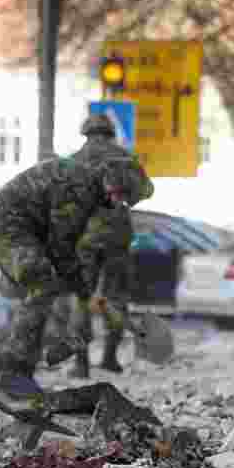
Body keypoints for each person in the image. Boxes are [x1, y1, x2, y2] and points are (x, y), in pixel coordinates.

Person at [0, 153, 153, 396]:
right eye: (121, 198)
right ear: (113, 184)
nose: (119, 205)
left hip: (21, 228)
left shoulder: (87, 185)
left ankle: (19, 370)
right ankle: (14, 372)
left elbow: (62, 250)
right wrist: (84, 291)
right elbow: (62, 249)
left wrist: (83, 290)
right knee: (42, 285)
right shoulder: (78, 189)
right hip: (6, 225)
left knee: (44, 286)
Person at [56, 114, 154, 377]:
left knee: (81, 298)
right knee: (116, 297)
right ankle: (110, 358)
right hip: (117, 239)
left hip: (84, 238)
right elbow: (146, 190)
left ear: (85, 133)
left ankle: (81, 364)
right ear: (110, 132)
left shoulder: (73, 160)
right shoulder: (125, 158)